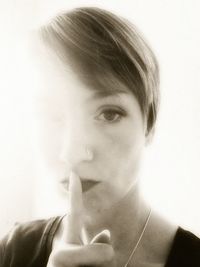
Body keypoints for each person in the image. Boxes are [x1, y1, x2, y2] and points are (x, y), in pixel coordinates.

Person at [0, 6, 200, 267]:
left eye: (108, 114)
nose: (71, 152)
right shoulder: (12, 253)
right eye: (51, 115)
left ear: (148, 123)